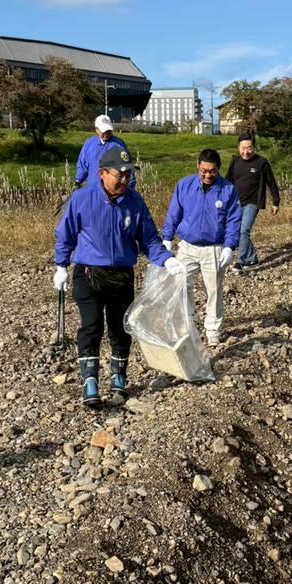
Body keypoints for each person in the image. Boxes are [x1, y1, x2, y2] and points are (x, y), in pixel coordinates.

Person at [54, 144, 184, 408]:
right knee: (91, 326)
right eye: (119, 174)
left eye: (128, 174)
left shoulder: (134, 202)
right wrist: (60, 266)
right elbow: (65, 235)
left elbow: (149, 240)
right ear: (102, 173)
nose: (125, 179)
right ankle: (89, 381)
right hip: (89, 273)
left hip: (121, 275)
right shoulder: (81, 200)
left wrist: (167, 260)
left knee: (120, 328)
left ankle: (118, 378)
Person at [162, 149, 241, 345]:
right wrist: (167, 237)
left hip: (213, 248)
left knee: (214, 290)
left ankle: (213, 330)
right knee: (181, 286)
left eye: (212, 171)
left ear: (218, 170)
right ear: (198, 166)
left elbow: (233, 221)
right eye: (203, 170)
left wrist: (229, 247)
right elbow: (174, 213)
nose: (207, 175)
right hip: (187, 246)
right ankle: (188, 323)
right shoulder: (184, 186)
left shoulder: (228, 190)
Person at [224, 134, 280, 271]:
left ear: (254, 148)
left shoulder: (261, 163)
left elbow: (271, 182)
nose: (246, 152)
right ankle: (252, 257)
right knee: (237, 231)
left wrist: (276, 201)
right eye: (243, 148)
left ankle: (242, 261)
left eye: (249, 148)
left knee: (244, 231)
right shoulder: (235, 162)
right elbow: (227, 182)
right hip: (236, 202)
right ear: (238, 148)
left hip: (253, 202)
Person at [75, 115, 128, 188]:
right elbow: (83, 165)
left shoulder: (119, 145)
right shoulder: (89, 144)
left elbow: (127, 168)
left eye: (108, 131)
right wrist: (78, 181)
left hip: (113, 191)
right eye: (104, 131)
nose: (106, 134)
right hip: (93, 188)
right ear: (96, 129)